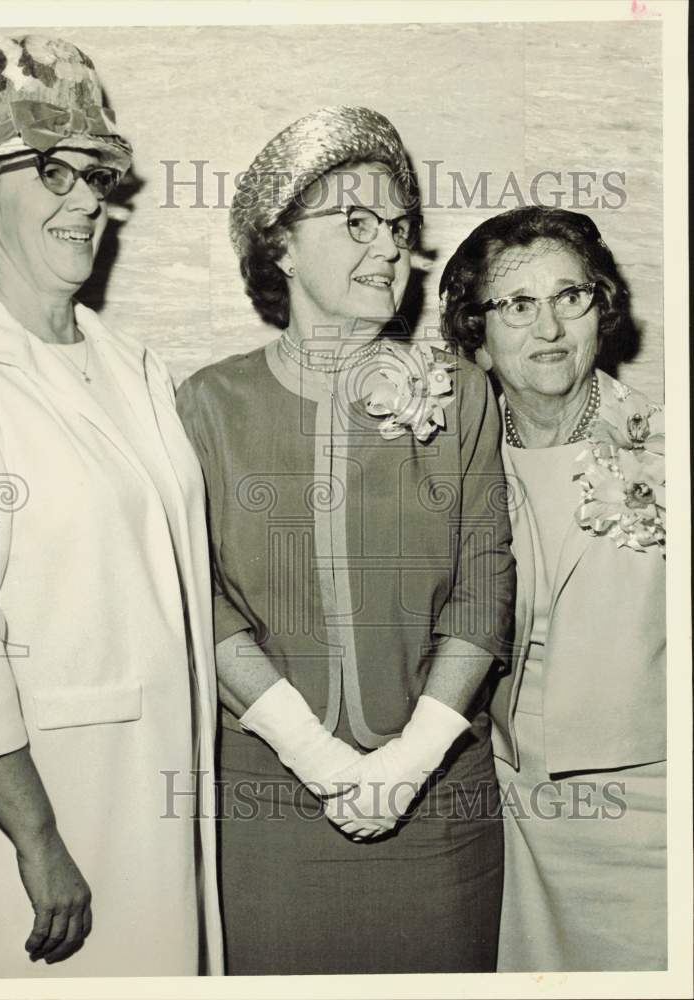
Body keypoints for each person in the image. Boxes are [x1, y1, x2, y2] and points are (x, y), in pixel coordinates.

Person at [176, 106, 515, 975]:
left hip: (438, 801)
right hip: (272, 805)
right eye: (354, 222)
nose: (389, 249)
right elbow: (196, 594)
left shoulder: (462, 392)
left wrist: (408, 761)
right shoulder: (208, 405)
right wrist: (317, 755)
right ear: (278, 245)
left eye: (398, 227)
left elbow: (484, 584)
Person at [0, 35, 222, 977]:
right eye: (52, 173)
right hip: (46, 825)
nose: (88, 200)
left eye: (95, 175)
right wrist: (39, 840)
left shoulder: (131, 367)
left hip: (158, 786)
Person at [440, 206, 667, 972]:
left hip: (651, 815)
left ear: (601, 310)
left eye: (569, 297)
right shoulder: (448, 463)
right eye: (516, 304)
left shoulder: (667, 447)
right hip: (513, 820)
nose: (548, 328)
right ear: (475, 334)